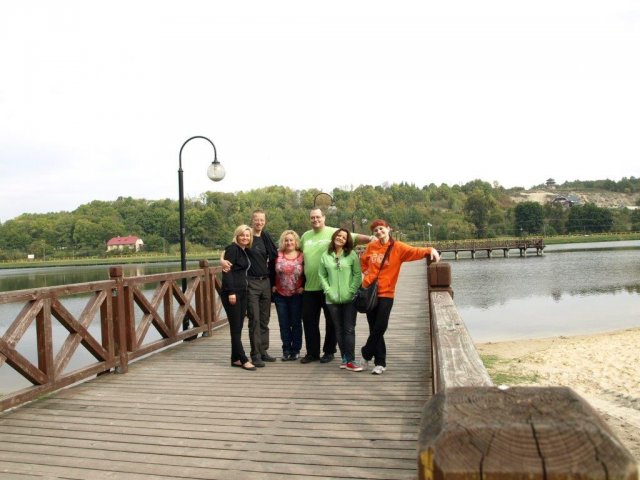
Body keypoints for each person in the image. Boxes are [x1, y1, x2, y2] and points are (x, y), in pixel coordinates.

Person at [359, 219, 440, 375]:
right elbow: (363, 262)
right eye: (375, 230)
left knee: (380, 326)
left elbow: (415, 252)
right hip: (369, 291)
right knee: (373, 327)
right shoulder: (371, 247)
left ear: (388, 229)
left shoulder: (398, 247)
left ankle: (365, 353)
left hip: (386, 292)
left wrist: (430, 249)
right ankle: (380, 363)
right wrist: (368, 274)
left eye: (381, 228)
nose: (379, 232)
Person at [299, 207, 372, 364]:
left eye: (318, 217)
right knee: (309, 322)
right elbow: (295, 251)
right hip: (310, 287)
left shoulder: (334, 232)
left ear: (324, 217)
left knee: (332, 323)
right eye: (312, 217)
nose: (315, 220)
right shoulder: (305, 236)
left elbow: (356, 237)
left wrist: (373, 238)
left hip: (331, 288)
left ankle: (329, 351)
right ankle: (312, 352)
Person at [221, 209, 278, 367]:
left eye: (262, 220)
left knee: (264, 319)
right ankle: (256, 354)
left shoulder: (265, 236)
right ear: (252, 220)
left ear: (265, 221)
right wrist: (221, 259)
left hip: (265, 282)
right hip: (251, 283)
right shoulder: (247, 237)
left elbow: (274, 254)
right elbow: (231, 249)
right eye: (256, 219)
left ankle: (263, 351)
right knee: (255, 319)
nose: (259, 222)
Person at [318, 228, 363, 371]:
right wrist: (328, 291)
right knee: (338, 329)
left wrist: (351, 291)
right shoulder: (325, 255)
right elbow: (322, 275)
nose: (340, 238)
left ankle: (350, 360)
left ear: (347, 241)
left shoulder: (352, 255)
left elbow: (357, 275)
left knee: (349, 329)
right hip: (331, 299)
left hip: (350, 298)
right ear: (334, 237)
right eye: (339, 235)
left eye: (344, 237)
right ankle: (344, 358)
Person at [220, 225, 256, 371]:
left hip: (242, 292)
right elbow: (227, 271)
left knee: (239, 326)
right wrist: (231, 292)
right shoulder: (233, 249)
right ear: (237, 236)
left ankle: (235, 358)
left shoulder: (243, 250)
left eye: (247, 235)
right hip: (232, 292)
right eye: (242, 235)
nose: (245, 238)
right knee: (235, 327)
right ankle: (243, 359)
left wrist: (221, 257)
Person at [272, 230, 304, 361]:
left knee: (296, 323)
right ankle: (286, 350)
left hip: (297, 294)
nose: (289, 242)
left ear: (296, 241)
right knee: (284, 324)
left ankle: (296, 350)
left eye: (291, 240)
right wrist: (272, 284)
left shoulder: (302, 255)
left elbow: (307, 272)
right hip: (280, 295)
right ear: (283, 242)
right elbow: (269, 270)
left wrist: (304, 286)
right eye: (286, 240)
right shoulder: (277, 254)